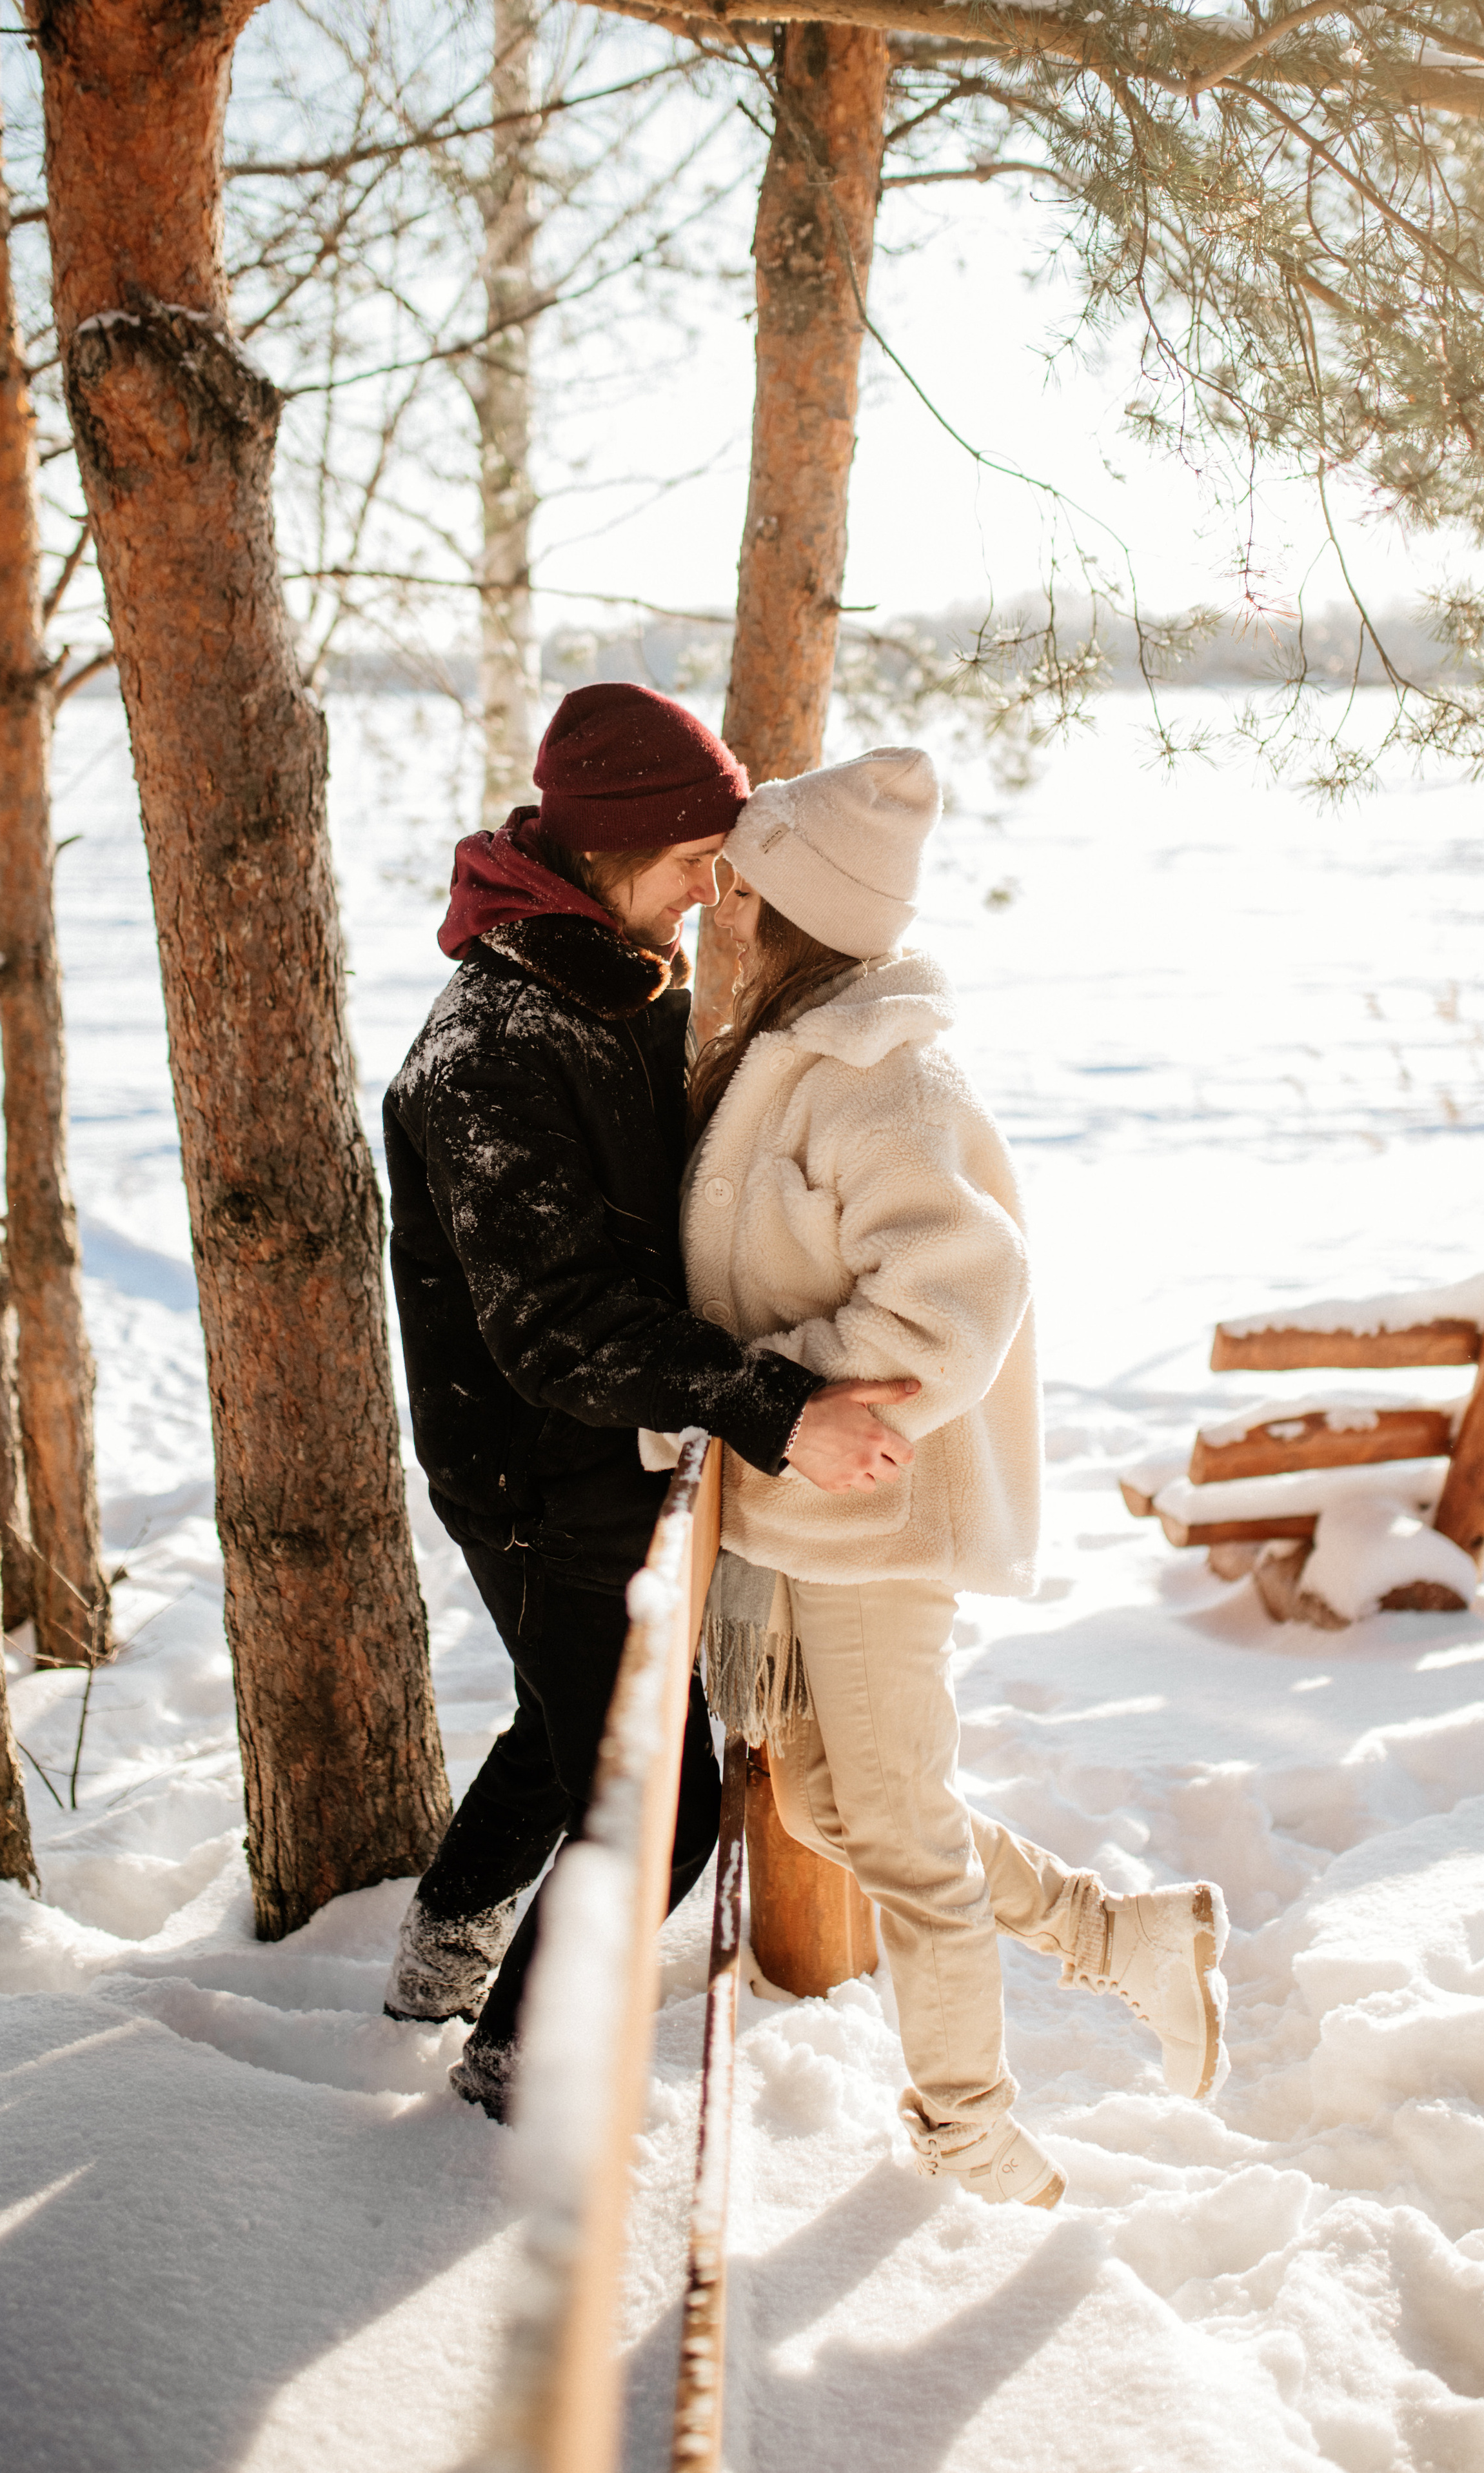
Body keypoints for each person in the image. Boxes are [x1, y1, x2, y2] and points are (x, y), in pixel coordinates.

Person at [668, 742, 1230, 2208]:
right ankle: (1122, 1939)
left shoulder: (888, 1079)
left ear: (801, 909)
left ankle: (968, 2137)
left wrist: (781, 1395)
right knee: (826, 1813)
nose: (721, 901)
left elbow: (948, 1307)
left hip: (869, 1513)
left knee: (901, 1842)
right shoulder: (792, 1049)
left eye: (745, 883)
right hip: (804, 1510)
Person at [381, 682, 918, 2120]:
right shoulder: (489, 1047)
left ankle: (438, 1954)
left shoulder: (624, 981)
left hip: (613, 1449)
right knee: (659, 1799)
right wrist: (776, 1405)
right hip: (528, 1475)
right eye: (695, 859)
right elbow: (553, 1324)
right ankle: (515, 2067)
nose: (714, 885)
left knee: (566, 1727)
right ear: (610, 848)